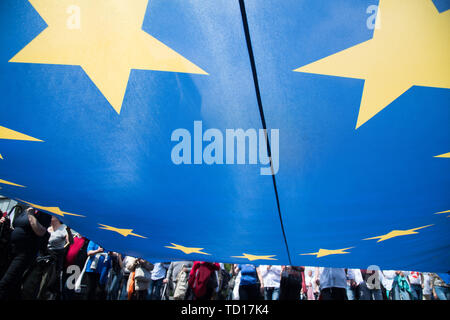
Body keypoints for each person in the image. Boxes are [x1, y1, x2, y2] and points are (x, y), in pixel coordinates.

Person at [0, 206, 51, 300]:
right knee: (14, 284)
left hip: (25, 253)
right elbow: (17, 227)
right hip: (12, 250)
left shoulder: (44, 213)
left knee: (5, 283)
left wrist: (31, 215)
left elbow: (41, 231)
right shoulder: (25, 209)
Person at [46, 216, 72, 299]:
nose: (51, 216)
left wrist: (69, 231)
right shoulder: (48, 228)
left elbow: (71, 242)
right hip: (45, 254)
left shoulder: (63, 229)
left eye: (53, 216)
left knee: (51, 280)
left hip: (56, 257)